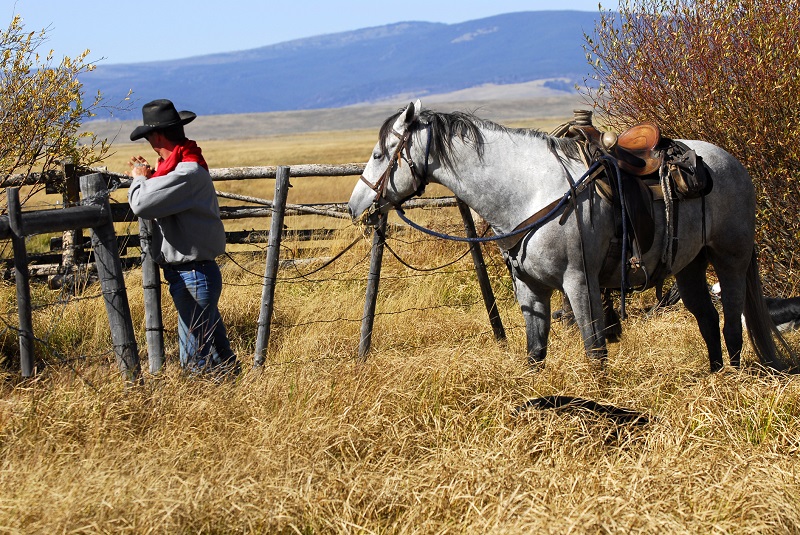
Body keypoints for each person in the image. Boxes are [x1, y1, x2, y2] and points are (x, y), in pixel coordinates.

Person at [127, 99, 239, 376]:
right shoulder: (184, 167)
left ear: (157, 136)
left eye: (149, 137)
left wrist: (140, 178)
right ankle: (235, 396)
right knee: (216, 352)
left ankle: (202, 407)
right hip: (194, 272)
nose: (150, 144)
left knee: (195, 360)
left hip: (192, 273)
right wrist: (153, 178)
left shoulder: (185, 173)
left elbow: (141, 204)